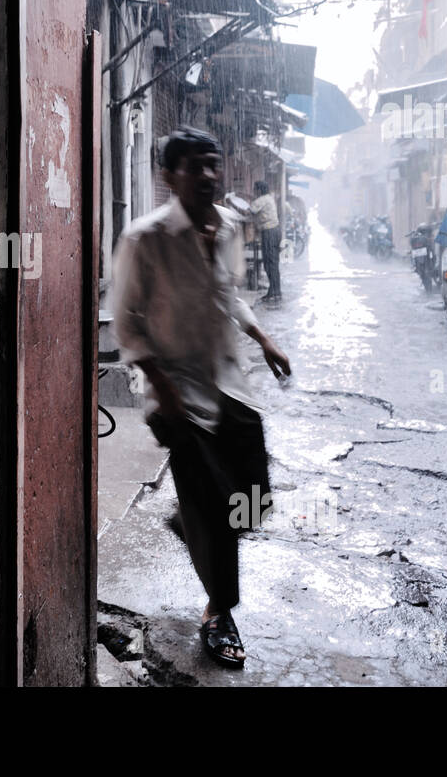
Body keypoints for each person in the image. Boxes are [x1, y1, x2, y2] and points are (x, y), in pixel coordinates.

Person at [111, 126, 292, 669]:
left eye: (214, 164)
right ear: (169, 175)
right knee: (216, 503)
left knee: (253, 501)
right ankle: (219, 611)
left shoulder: (230, 226)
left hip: (228, 384)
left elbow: (228, 293)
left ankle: (189, 522)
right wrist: (161, 385)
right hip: (177, 396)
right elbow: (126, 324)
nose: (210, 176)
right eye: (195, 166)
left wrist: (263, 338)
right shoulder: (146, 239)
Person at [248, 180, 282, 302]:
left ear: (259, 190)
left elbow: (249, 211)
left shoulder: (261, 200)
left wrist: (231, 202)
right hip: (275, 231)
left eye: (255, 189)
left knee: (269, 263)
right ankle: (275, 291)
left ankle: (274, 292)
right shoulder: (268, 198)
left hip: (269, 232)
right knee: (273, 262)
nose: (254, 192)